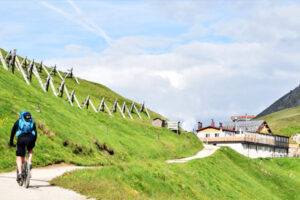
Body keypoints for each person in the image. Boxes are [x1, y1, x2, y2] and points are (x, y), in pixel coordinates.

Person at [9, 111, 37, 182]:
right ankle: (29, 162)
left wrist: (11, 142)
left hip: (21, 139)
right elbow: (35, 132)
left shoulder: (18, 122)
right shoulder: (32, 122)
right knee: (30, 149)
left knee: (19, 156)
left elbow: (13, 132)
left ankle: (20, 174)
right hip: (31, 138)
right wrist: (34, 141)